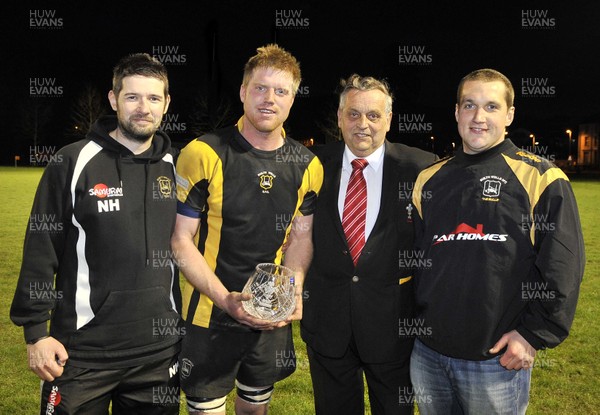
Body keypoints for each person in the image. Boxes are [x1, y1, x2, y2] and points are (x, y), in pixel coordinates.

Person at [10, 53, 182, 414]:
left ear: (166, 104)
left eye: (153, 98)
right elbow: (42, 246)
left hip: (157, 353)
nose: (143, 108)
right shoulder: (73, 161)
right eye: (132, 97)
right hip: (82, 353)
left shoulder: (176, 167)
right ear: (113, 99)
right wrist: (36, 334)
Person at [410, 68, 585, 414]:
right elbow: (414, 261)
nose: (478, 117)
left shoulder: (542, 178)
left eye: (491, 106)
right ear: (457, 112)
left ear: (509, 115)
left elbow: (563, 268)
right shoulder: (428, 180)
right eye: (470, 105)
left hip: (495, 360)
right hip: (428, 355)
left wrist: (533, 334)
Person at [171, 44, 323, 415]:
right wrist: (226, 300)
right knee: (206, 408)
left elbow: (301, 238)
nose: (269, 99)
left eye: (281, 91)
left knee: (255, 405)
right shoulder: (203, 152)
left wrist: (294, 289)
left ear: (292, 98)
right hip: (209, 311)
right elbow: (180, 240)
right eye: (260, 88)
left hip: (269, 314)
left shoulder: (307, 165)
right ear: (242, 92)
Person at [301, 74, 436, 414]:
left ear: (389, 119)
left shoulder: (421, 167)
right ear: (339, 117)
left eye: (373, 115)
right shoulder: (312, 165)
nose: (363, 124)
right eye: (353, 114)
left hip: (394, 329)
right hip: (327, 328)